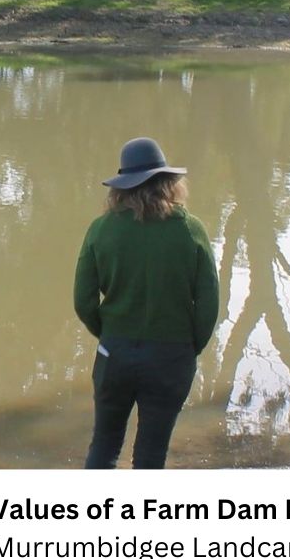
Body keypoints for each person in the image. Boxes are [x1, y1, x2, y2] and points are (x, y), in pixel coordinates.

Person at [74, 137, 219, 469]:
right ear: (169, 183)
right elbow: (209, 305)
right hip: (172, 356)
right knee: (152, 453)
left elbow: (83, 301)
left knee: (105, 444)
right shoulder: (191, 230)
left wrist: (109, 333)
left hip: (115, 354)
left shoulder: (100, 230)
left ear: (120, 188)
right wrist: (188, 347)